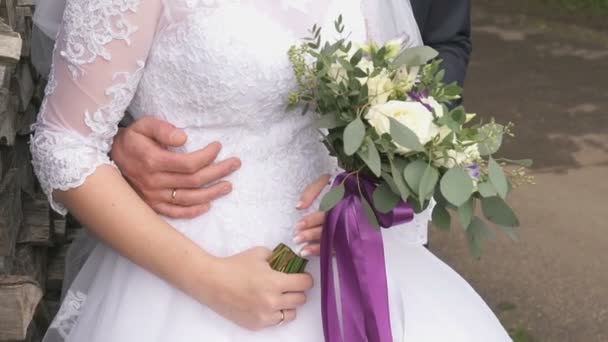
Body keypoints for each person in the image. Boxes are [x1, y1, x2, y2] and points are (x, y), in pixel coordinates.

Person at [31, 0, 511, 341]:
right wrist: (213, 281)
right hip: (192, 274)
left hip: (345, 263)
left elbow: (388, 103)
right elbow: (64, 144)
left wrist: (359, 187)